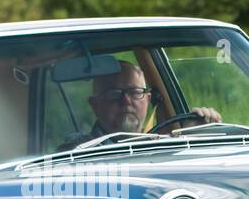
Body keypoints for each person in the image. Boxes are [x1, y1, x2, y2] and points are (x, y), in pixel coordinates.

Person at [60, 60, 220, 149]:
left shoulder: (166, 143)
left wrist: (195, 134)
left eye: (135, 92)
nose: (126, 101)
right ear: (95, 105)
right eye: (114, 94)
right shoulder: (77, 151)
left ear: (148, 99)